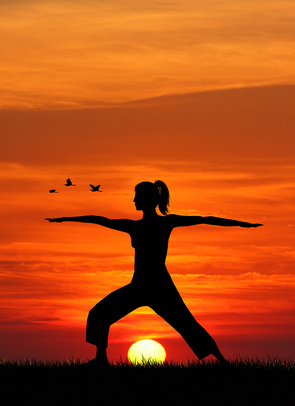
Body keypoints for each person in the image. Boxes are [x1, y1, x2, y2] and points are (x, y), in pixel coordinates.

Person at [46, 180, 262, 367]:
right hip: (139, 285)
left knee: (187, 324)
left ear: (149, 200)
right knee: (99, 314)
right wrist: (65, 219)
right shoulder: (135, 226)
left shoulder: (164, 222)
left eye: (136, 196)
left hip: (159, 286)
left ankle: (224, 364)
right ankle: (101, 360)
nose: (133, 200)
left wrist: (244, 224)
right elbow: (99, 219)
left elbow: (206, 219)